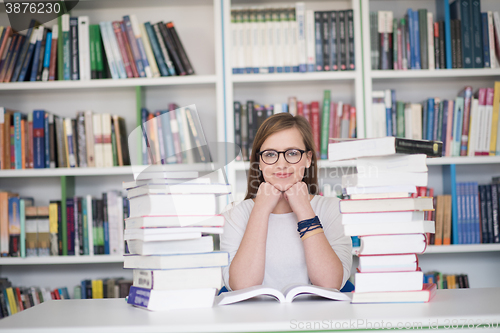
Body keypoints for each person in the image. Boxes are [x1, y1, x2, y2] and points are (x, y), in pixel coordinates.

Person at [221, 113, 352, 292]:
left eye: (292, 153)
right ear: (259, 162)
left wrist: (305, 210)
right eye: (270, 154)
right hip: (255, 318)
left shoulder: (332, 209)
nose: (281, 164)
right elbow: (242, 287)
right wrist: (260, 209)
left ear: (308, 159)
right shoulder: (235, 214)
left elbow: (331, 284)